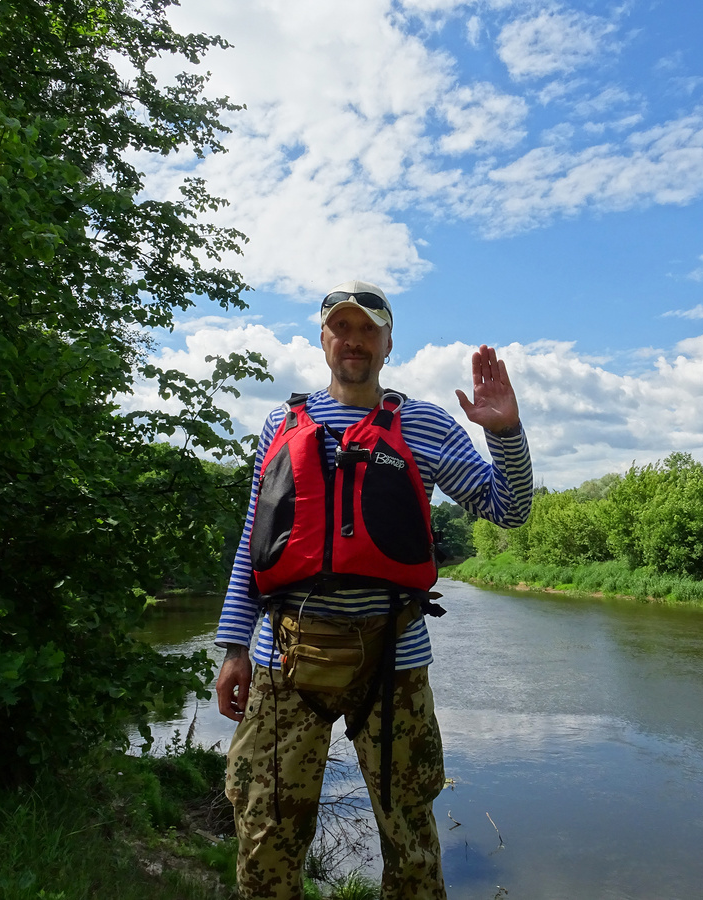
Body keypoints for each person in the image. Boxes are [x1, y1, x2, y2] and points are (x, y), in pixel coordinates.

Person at [214, 279, 533, 900]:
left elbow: (511, 507)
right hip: (284, 657)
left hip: (394, 662)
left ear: (389, 343)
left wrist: (507, 431)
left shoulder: (424, 424)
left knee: (410, 838)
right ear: (323, 338)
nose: (354, 341)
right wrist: (233, 648)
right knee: (264, 834)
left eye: (368, 329)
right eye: (342, 327)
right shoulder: (281, 424)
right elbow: (255, 539)